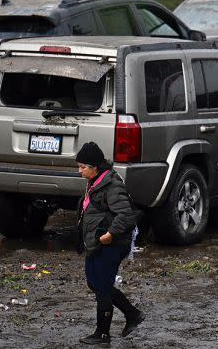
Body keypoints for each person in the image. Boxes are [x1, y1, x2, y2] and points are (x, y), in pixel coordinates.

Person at [76, 141, 145, 344]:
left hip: (111, 243)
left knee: (102, 285)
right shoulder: (96, 182)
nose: (79, 171)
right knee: (94, 281)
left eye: (83, 167)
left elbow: (125, 215)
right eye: (78, 166)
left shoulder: (112, 185)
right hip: (97, 242)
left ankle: (102, 334)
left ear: (95, 167)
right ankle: (132, 314)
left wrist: (110, 234)